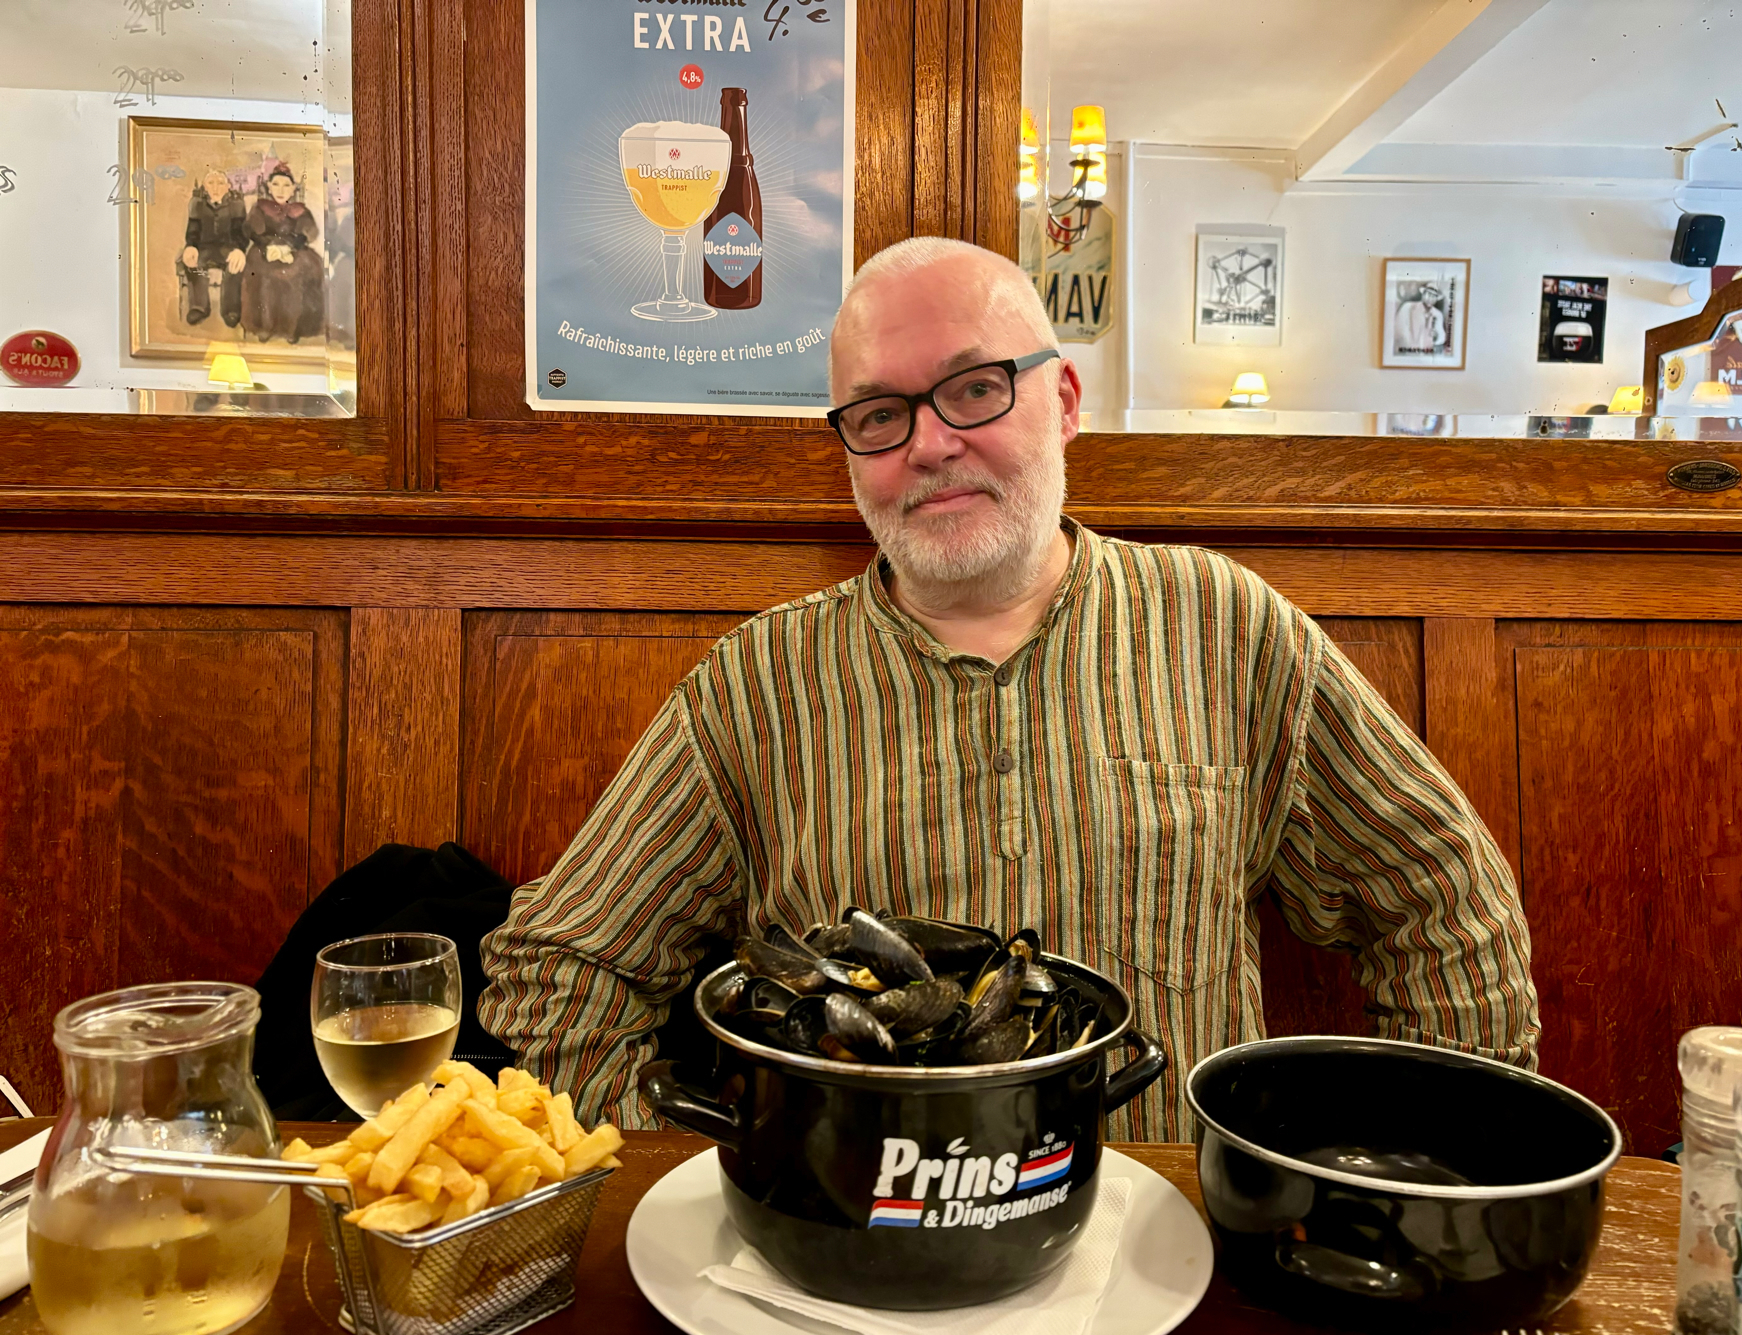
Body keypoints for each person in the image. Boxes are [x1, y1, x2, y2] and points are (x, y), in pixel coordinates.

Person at [480, 238, 1539, 1140]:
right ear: (848, 449)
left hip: (1173, 1240)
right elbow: (558, 972)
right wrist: (716, 1173)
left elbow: (1444, 903)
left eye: (976, 388)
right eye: (879, 414)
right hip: (866, 1255)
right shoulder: (753, 686)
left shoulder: (1226, 623)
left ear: (1063, 398)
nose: (932, 445)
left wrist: (1396, 1181)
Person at [241, 163, 325, 344]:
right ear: (269, 187)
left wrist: (289, 247)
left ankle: (291, 328)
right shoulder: (261, 207)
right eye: (276, 184)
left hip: (293, 250)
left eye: (286, 185)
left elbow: (307, 233)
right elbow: (252, 232)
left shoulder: (299, 210)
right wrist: (269, 246)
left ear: (293, 189)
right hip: (265, 248)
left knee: (294, 274)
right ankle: (265, 325)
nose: (281, 190)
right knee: (263, 273)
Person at [180, 169, 247, 328]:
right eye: (211, 183)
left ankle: (230, 310)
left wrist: (239, 249)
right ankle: (199, 306)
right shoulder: (197, 204)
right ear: (204, 186)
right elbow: (193, 230)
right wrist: (191, 246)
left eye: (220, 183)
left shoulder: (236, 205)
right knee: (193, 264)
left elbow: (240, 232)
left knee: (235, 267)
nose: (216, 188)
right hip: (205, 248)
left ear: (228, 186)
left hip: (228, 248)